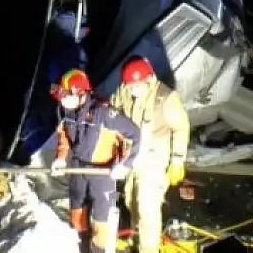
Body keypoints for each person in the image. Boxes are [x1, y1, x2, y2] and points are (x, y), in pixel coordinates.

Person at [49, 69, 141, 253]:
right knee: (77, 214)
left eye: (66, 95)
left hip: (102, 173)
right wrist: (60, 158)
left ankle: (98, 250)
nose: (63, 100)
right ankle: (82, 246)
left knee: (100, 220)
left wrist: (125, 163)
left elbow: (134, 135)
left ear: (80, 92)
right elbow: (64, 136)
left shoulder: (103, 113)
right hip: (77, 170)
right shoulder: (66, 111)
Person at [110, 57, 190, 253]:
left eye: (136, 87)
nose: (132, 91)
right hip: (133, 158)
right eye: (129, 87)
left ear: (147, 81)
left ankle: (149, 248)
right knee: (131, 199)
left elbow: (181, 127)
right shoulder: (125, 90)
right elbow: (114, 106)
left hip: (154, 160)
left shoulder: (166, 98)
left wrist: (177, 160)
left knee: (148, 208)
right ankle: (138, 236)